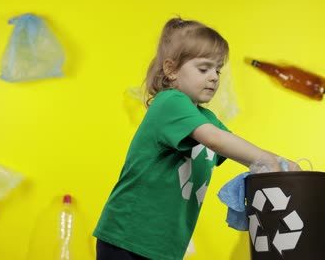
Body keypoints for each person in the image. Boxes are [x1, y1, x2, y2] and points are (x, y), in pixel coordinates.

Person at [93, 17, 301, 260]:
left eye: (218, 70)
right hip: (127, 238)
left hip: (163, 248)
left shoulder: (206, 118)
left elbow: (236, 147)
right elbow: (215, 140)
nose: (214, 77)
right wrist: (266, 159)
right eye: (204, 69)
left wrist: (283, 164)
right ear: (171, 70)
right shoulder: (170, 102)